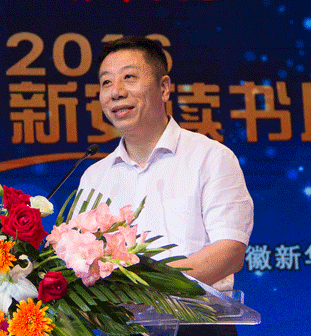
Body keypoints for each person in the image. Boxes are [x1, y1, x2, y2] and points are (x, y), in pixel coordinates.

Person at [77, 36, 253, 336]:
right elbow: (82, 260)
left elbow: (230, 251)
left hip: (199, 327)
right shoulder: (94, 176)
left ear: (164, 88)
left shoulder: (211, 157)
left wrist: (147, 289)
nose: (116, 92)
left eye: (129, 77)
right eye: (106, 82)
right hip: (124, 329)